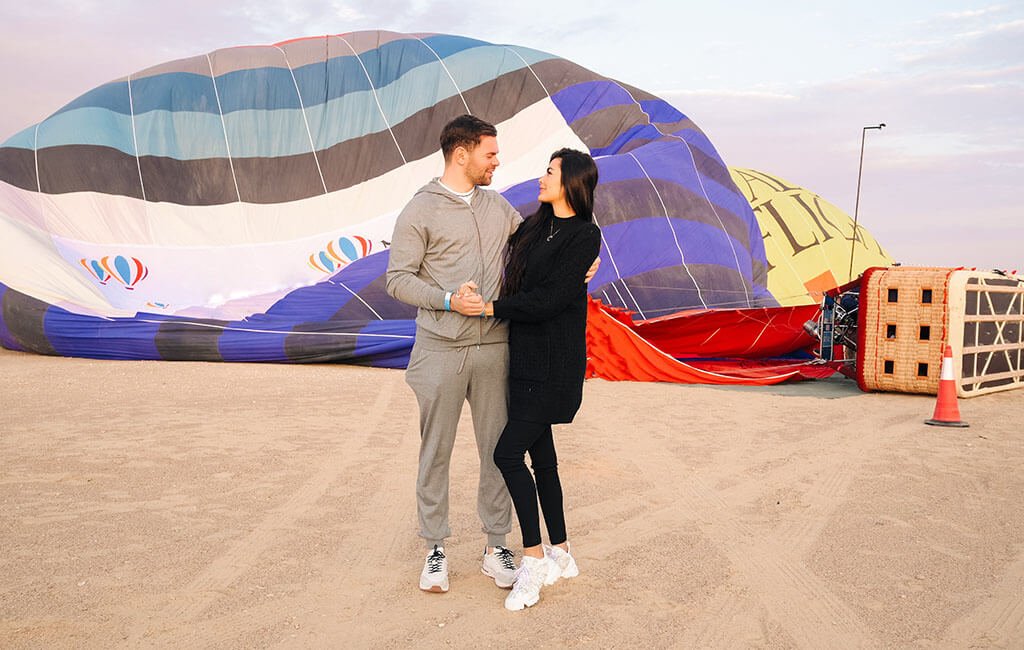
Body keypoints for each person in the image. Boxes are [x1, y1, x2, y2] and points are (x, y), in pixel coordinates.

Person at [386, 115, 521, 594]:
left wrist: (577, 262)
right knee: (436, 450)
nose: (497, 161)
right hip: (439, 349)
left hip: (495, 348)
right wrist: (447, 299)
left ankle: (495, 546)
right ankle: (435, 548)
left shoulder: (499, 207)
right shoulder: (419, 210)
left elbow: (533, 252)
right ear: (460, 154)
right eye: (490, 153)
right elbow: (397, 278)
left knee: (499, 451)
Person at [480, 148, 601, 611]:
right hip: (523, 358)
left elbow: (548, 301)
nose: (542, 177)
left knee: (507, 454)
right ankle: (563, 553)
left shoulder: (585, 236)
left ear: (572, 181)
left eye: (550, 171)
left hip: (554, 365)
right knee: (542, 458)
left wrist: (491, 308)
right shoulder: (534, 225)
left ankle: (532, 561)